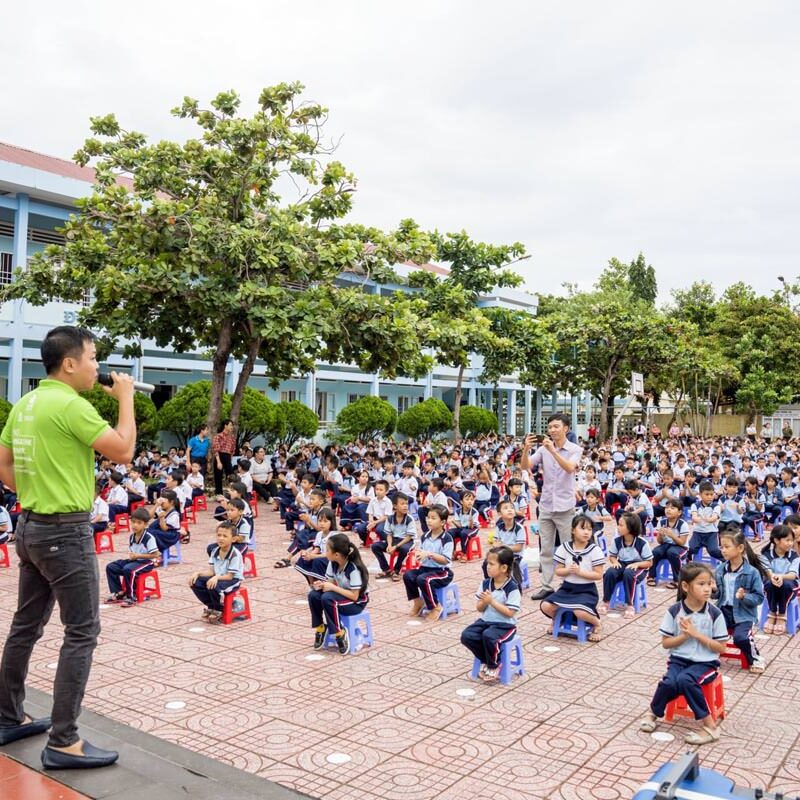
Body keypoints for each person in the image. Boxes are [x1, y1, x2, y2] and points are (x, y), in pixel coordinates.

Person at [0, 326, 135, 769]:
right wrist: (126, 397)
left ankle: (7, 717)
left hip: (31, 527)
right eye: (93, 357)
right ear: (71, 363)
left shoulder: (26, 403)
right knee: (81, 633)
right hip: (65, 533)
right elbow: (123, 451)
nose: (98, 366)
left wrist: (37, 490)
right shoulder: (70, 405)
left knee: (26, 626)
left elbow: (3, 464)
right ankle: (64, 741)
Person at [639, 562, 728, 745]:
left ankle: (711, 727)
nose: (707, 589)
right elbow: (666, 644)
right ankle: (653, 713)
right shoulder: (674, 611)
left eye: (709, 584)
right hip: (678, 660)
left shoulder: (715, 613)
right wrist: (684, 637)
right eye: (701, 584)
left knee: (685, 680)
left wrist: (697, 635)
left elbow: (721, 648)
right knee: (669, 682)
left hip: (706, 663)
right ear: (686, 586)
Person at [521, 414, 582, 601]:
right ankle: (547, 586)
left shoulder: (574, 449)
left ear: (566, 429)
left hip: (565, 506)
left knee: (567, 548)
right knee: (545, 549)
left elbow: (570, 468)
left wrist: (553, 451)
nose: (552, 430)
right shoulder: (543, 449)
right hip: (546, 504)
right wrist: (526, 450)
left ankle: (569, 585)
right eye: (550, 427)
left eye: (556, 426)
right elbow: (526, 466)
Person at [540, 514, 605, 642]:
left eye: (589, 529)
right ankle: (557, 620)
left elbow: (598, 574)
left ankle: (597, 623)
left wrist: (580, 572)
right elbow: (558, 571)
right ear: (573, 530)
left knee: (579, 611)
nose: (587, 532)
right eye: (583, 528)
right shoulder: (564, 548)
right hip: (567, 588)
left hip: (587, 590)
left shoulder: (595, 550)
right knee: (546, 606)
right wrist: (568, 570)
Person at [460, 546, 521, 682]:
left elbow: (510, 613)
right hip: (486, 621)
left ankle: (494, 665)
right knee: (467, 635)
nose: (488, 566)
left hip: (505, 626)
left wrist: (492, 601)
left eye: (492, 564)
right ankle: (486, 660)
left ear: (504, 568)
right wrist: (484, 602)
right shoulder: (485, 584)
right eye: (488, 563)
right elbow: (479, 608)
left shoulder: (512, 588)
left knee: (489, 636)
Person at [715, 527, 767, 673]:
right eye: (721, 546)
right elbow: (718, 595)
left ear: (740, 548)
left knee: (740, 638)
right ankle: (707, 659)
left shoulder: (752, 572)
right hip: (723, 611)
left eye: (726, 546)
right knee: (705, 631)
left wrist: (744, 597)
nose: (723, 550)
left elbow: (759, 598)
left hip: (743, 613)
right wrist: (713, 590)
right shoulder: (720, 570)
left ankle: (756, 658)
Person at [308, 533, 370, 655]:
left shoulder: (353, 569)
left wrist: (332, 588)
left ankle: (339, 633)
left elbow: (354, 596)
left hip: (357, 602)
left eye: (327, 550)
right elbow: (330, 583)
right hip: (343, 597)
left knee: (328, 598)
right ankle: (321, 628)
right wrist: (322, 585)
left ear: (336, 554)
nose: (325, 552)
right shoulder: (333, 563)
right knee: (314, 595)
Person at [403, 504, 454, 621]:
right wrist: (418, 554)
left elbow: (446, 560)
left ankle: (435, 607)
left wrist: (429, 554)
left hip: (442, 572)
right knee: (408, 575)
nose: (429, 520)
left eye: (433, 518)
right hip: (425, 569)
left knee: (423, 579)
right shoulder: (424, 536)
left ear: (442, 522)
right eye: (428, 517)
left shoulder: (446, 538)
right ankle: (418, 602)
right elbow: (421, 553)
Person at [599, 512, 653, 618]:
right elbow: (612, 556)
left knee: (629, 574)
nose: (618, 527)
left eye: (621, 525)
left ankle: (630, 605)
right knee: (610, 573)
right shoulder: (617, 541)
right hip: (622, 563)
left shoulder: (642, 543)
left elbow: (649, 562)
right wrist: (615, 562)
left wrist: (637, 564)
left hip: (640, 567)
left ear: (631, 528)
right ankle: (606, 602)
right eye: (618, 524)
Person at [189, 521, 244, 623]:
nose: (221, 538)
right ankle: (211, 605)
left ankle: (219, 609)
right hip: (218, 577)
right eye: (219, 535)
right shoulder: (215, 551)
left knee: (214, 585)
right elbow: (211, 572)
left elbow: (230, 576)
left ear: (233, 539)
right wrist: (198, 573)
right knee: (196, 582)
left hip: (233, 580)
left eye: (225, 536)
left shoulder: (235, 555)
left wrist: (216, 577)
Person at [105, 508, 159, 607]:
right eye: (133, 522)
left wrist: (138, 556)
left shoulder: (149, 538)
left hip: (147, 562)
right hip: (135, 561)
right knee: (111, 567)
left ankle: (132, 597)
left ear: (145, 524)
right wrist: (134, 557)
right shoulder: (132, 537)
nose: (135, 525)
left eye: (139, 523)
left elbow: (156, 554)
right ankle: (119, 592)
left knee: (129, 570)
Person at [760, 524, 799, 634]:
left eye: (792, 540)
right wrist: (774, 577)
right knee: (769, 584)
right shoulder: (766, 555)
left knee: (786, 585)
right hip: (772, 585)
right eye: (787, 540)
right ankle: (772, 613)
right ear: (776, 540)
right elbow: (767, 571)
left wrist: (780, 577)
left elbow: (792, 575)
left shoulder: (794, 556)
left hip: (790, 588)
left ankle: (781, 615)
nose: (790, 543)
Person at [211, 419, 236, 495]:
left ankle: (233, 492)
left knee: (231, 475)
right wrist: (218, 461)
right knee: (218, 476)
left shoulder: (232, 437)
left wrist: (230, 459)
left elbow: (233, 449)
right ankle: (219, 494)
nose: (232, 427)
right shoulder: (218, 436)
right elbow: (216, 449)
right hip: (219, 455)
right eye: (230, 425)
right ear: (225, 425)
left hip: (228, 456)